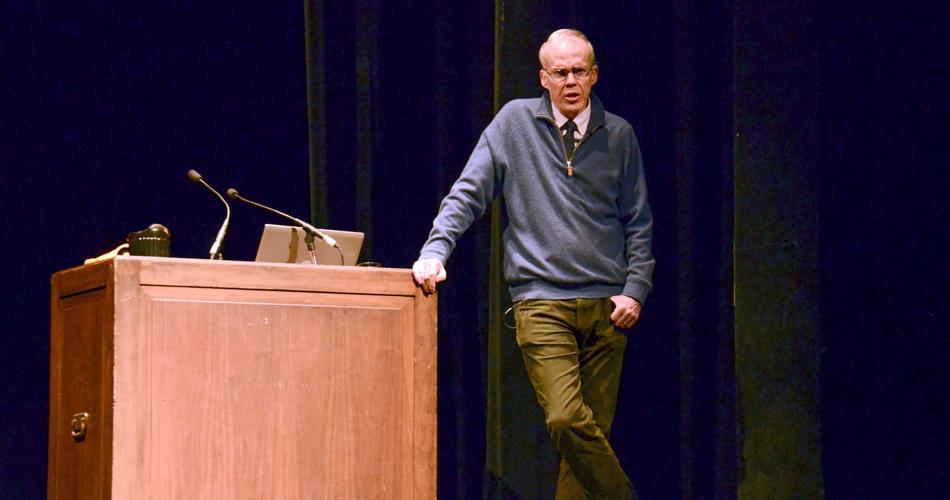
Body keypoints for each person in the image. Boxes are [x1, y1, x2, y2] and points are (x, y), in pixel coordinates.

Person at [412, 28, 653, 500]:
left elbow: (638, 221)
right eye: (560, 72)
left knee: (584, 445)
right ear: (544, 77)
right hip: (542, 302)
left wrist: (635, 288)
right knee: (565, 418)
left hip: (609, 307)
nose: (570, 81)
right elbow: (467, 194)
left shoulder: (619, 135)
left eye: (579, 71)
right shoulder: (513, 123)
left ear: (594, 75)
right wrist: (435, 249)